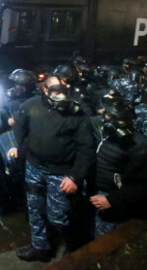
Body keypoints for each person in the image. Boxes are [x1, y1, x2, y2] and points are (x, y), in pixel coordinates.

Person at [12, 75, 94, 262]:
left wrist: (75, 177)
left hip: (61, 173)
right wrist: (25, 147)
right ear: (45, 90)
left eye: (63, 91)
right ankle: (40, 247)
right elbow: (19, 125)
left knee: (59, 216)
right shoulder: (31, 105)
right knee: (34, 209)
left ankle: (74, 247)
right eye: (55, 91)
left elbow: (86, 148)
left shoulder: (77, 113)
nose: (60, 95)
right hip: (34, 168)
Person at [89, 102, 147, 237]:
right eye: (109, 116)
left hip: (112, 196)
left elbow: (143, 185)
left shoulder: (139, 147)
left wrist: (112, 199)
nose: (112, 122)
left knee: (104, 235)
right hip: (92, 189)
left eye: (120, 120)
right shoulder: (102, 132)